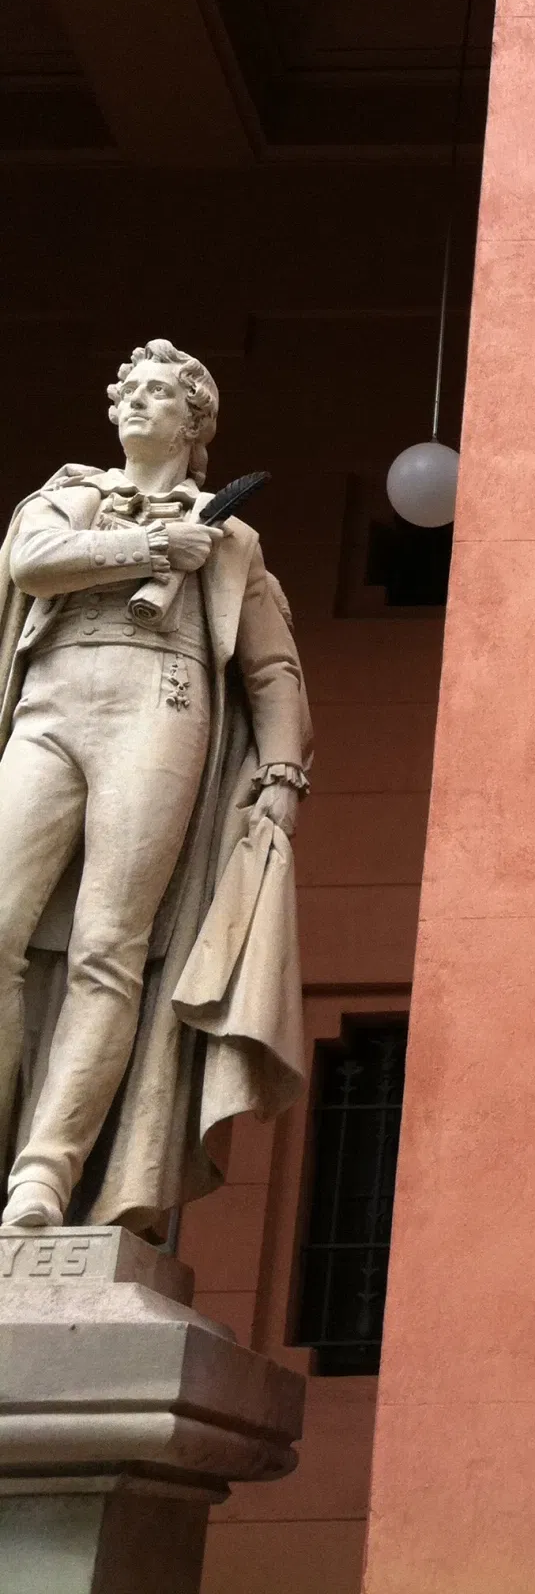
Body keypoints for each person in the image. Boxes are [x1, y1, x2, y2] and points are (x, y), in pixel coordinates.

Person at [0, 339, 310, 1232]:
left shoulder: (232, 539)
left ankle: (46, 1173)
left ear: (195, 422)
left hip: (160, 707)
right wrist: (149, 545)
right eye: (128, 390)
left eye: (161, 393)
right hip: (52, 706)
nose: (138, 403)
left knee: (110, 946)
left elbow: (273, 671)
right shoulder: (71, 492)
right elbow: (34, 560)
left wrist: (283, 771)